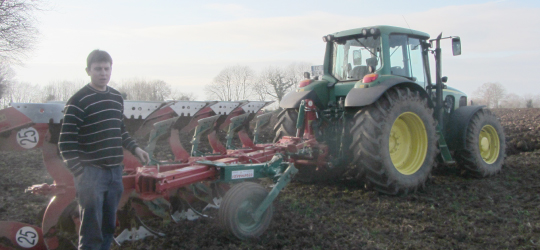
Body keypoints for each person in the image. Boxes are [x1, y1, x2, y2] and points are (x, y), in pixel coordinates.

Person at [58, 49, 150, 250]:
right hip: (91, 174)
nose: (103, 73)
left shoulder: (116, 98)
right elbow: (65, 142)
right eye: (98, 69)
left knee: (109, 225)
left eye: (106, 68)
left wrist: (135, 149)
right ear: (88, 71)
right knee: (92, 230)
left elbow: (120, 130)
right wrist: (80, 173)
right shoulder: (78, 101)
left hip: (115, 172)